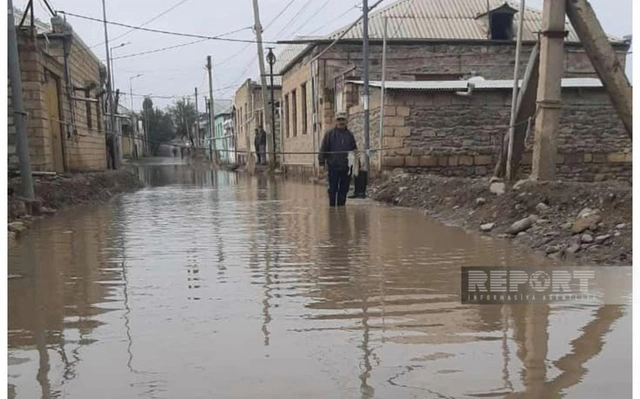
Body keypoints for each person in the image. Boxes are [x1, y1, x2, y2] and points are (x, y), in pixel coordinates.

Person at [318, 111, 357, 207]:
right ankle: (332, 210)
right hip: (333, 166)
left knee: (344, 189)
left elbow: (354, 150)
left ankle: (341, 209)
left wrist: (357, 163)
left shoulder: (350, 135)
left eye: (343, 120)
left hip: (346, 168)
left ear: (346, 121)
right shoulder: (329, 134)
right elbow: (323, 149)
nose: (341, 122)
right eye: (339, 120)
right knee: (332, 189)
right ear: (336, 121)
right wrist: (322, 164)